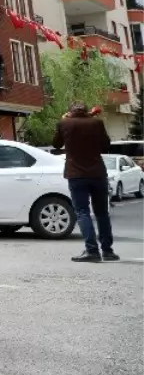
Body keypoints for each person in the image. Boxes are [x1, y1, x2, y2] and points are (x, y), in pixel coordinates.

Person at [53, 103, 116, 262]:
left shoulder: (64, 123)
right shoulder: (96, 123)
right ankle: (107, 251)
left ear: (71, 112)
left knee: (82, 212)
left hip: (76, 174)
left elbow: (56, 144)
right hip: (97, 173)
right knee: (102, 213)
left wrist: (63, 122)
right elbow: (106, 146)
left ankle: (92, 251)